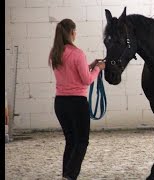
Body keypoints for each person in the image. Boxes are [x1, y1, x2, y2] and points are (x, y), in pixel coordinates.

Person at [48, 18, 106, 180]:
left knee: (71, 140)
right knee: (82, 141)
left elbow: (71, 73)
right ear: (72, 32)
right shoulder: (78, 53)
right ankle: (70, 176)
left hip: (60, 103)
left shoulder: (55, 53)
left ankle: (66, 173)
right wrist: (98, 69)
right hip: (77, 103)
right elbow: (86, 80)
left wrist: (90, 66)